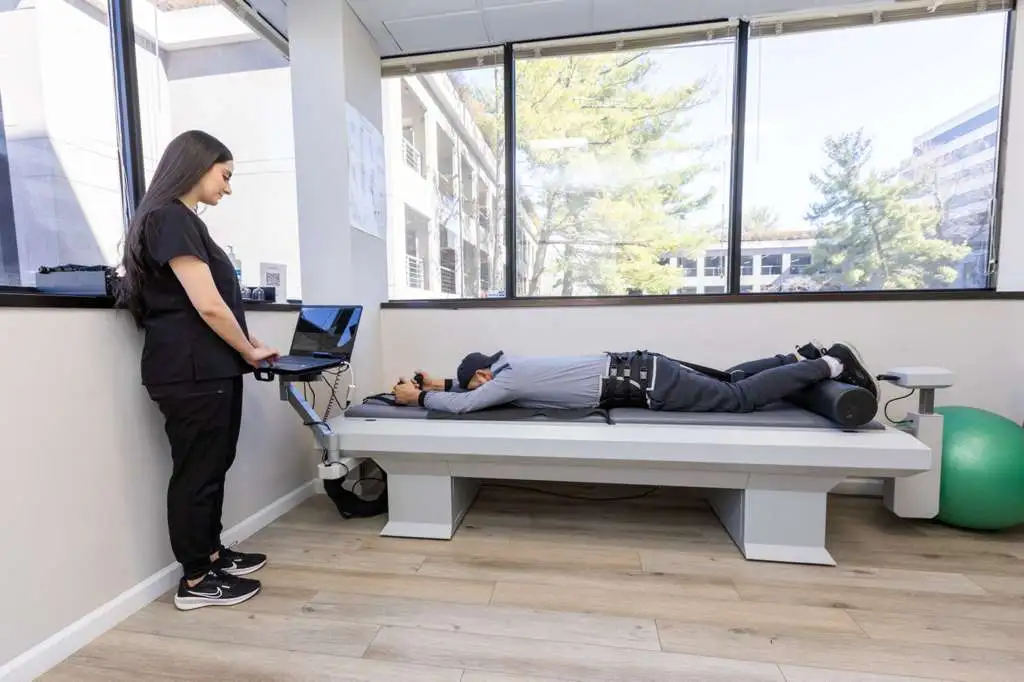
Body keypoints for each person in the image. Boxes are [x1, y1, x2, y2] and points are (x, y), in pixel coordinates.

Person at [117, 130, 279, 611]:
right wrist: (249, 353)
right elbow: (207, 305)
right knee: (197, 473)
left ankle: (211, 553)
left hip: (207, 368)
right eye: (225, 176)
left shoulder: (180, 220)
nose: (228, 188)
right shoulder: (170, 218)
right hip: (191, 372)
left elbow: (212, 305)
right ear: (198, 164)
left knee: (214, 465)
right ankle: (195, 580)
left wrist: (248, 346)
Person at [393, 341, 877, 415]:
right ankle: (794, 357)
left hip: (648, 384)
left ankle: (830, 365)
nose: (484, 390)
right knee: (730, 377)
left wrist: (418, 400)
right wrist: (437, 385)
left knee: (737, 398)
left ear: (483, 374)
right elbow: (470, 392)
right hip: (644, 367)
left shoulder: (508, 379)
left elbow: (467, 406)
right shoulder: (511, 367)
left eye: (475, 382)